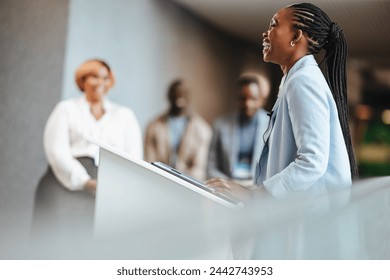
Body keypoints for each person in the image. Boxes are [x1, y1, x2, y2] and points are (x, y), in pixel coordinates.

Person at [206, 3, 358, 199]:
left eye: (273, 25)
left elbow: (312, 161)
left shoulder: (303, 81)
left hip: (312, 218)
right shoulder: (296, 79)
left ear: (295, 37)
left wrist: (254, 196)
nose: (265, 33)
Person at [32, 59, 142, 237]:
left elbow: (134, 159)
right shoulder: (66, 109)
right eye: (94, 77)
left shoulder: (125, 116)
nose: (100, 83)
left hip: (108, 192)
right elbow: (56, 152)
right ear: (82, 80)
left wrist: (114, 188)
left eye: (105, 78)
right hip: (65, 184)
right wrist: (85, 182)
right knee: (55, 245)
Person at [207, 73, 270, 187]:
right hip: (225, 187)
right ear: (236, 98)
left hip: (256, 190)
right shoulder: (221, 125)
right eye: (243, 98)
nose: (247, 104)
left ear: (261, 100)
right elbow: (211, 166)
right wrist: (228, 184)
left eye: (253, 98)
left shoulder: (271, 126)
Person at [144, 79, 211, 181]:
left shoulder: (203, 130)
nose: (178, 96)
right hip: (158, 181)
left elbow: (199, 169)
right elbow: (149, 162)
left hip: (189, 185)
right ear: (168, 96)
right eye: (174, 93)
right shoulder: (153, 127)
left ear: (190, 96)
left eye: (183, 93)